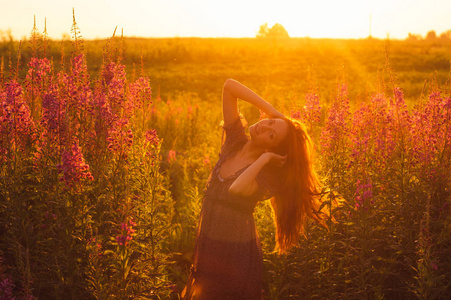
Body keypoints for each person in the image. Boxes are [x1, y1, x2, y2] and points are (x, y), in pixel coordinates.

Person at [182, 79, 326, 299]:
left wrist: (265, 159)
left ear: (271, 148)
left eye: (271, 135)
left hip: (234, 258)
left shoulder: (266, 176)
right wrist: (271, 111)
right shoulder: (235, 142)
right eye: (270, 123)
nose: (264, 126)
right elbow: (229, 86)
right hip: (209, 249)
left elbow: (236, 189)